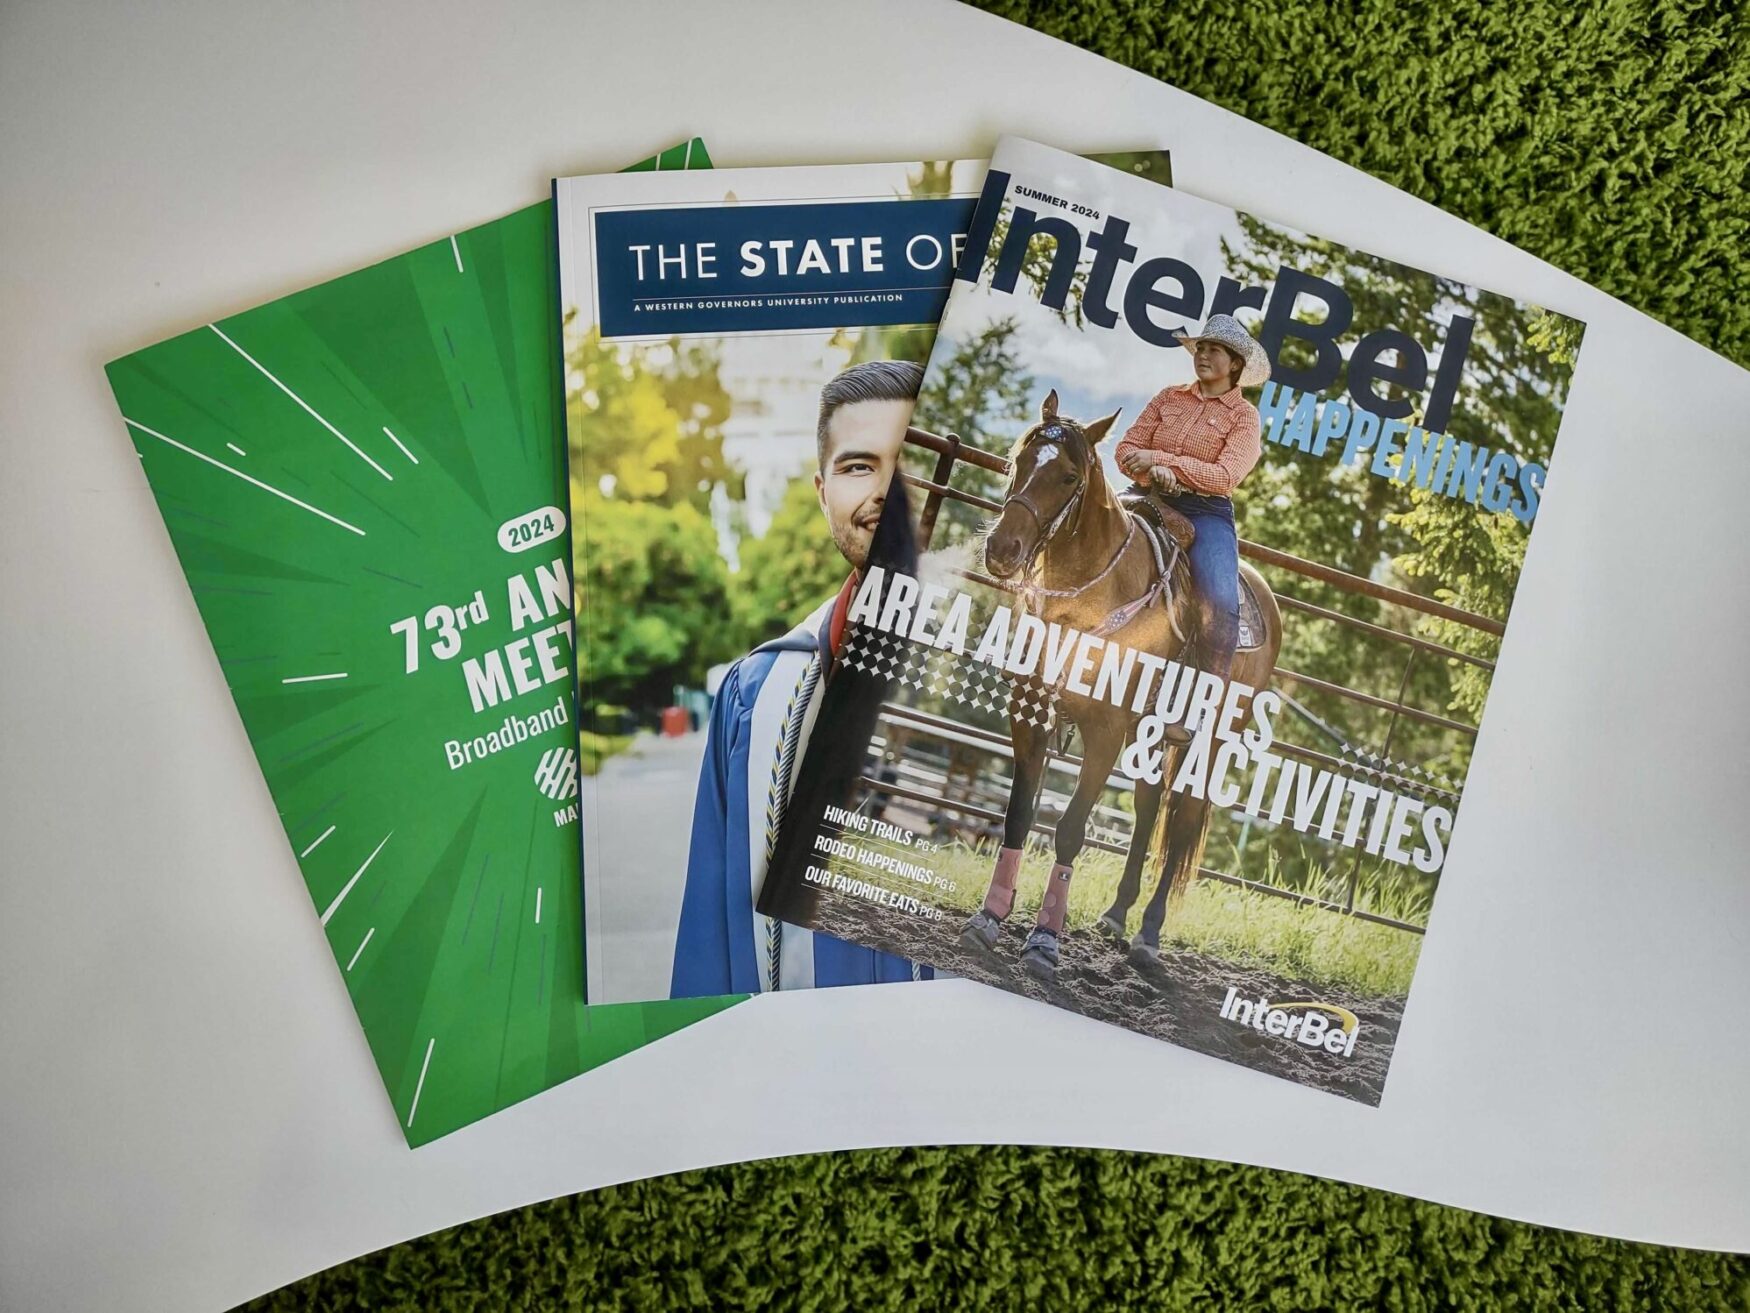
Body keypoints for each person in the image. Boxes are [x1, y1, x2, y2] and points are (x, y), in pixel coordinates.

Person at [670, 360, 933, 997]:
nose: (883, 490)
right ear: (821, 491)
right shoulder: (755, 698)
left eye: (908, 461)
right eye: (856, 466)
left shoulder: (1030, 684)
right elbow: (712, 950)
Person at [1113, 313, 1271, 739]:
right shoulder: (1169, 397)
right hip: (1145, 496)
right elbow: (1127, 447)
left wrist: (1166, 464)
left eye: (1212, 349)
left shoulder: (1244, 418)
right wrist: (1149, 473)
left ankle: (1199, 705)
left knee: (1220, 601)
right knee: (1083, 534)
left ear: (1235, 364)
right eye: (1200, 347)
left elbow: (1225, 476)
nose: (1202, 354)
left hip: (1206, 511)